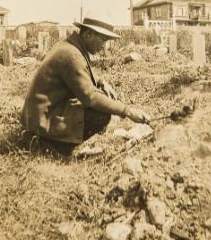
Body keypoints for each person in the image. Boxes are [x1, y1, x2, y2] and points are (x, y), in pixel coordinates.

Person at [21, 11, 150, 154]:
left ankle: (55, 142)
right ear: (88, 34)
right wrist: (127, 111)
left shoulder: (70, 47)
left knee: (95, 104)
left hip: (39, 116)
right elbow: (90, 98)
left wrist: (101, 81)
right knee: (99, 114)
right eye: (103, 39)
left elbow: (82, 70)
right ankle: (54, 147)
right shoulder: (72, 55)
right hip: (42, 123)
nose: (104, 46)